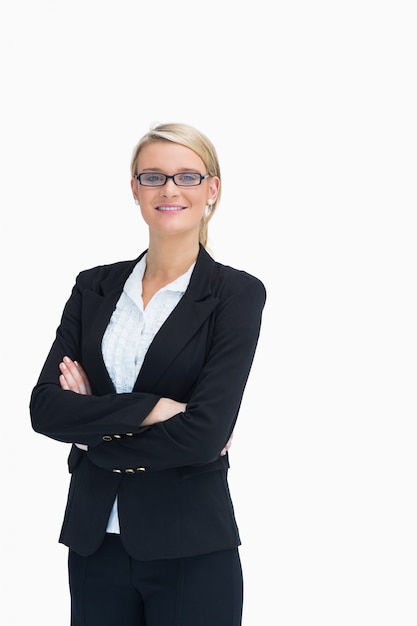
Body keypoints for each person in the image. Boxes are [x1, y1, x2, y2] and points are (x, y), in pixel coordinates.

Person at [30, 122, 266, 626]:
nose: (170, 189)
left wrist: (92, 436)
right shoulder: (93, 287)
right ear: (135, 189)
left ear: (212, 189)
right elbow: (45, 408)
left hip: (191, 545)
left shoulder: (235, 294)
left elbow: (206, 433)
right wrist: (156, 409)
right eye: (154, 176)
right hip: (95, 543)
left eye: (187, 176)